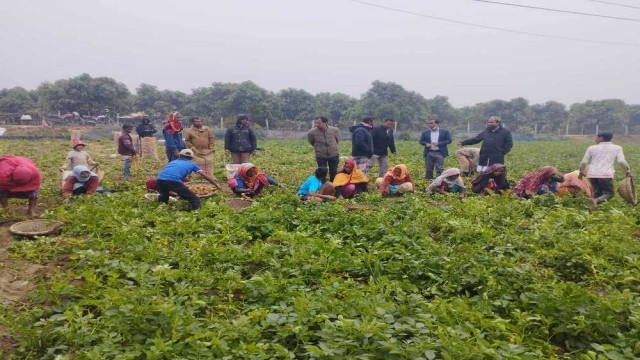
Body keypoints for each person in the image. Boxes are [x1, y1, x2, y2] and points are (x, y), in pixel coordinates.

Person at [579, 132, 632, 209]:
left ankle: (593, 209)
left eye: (596, 137)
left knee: (597, 192)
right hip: (606, 174)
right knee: (609, 193)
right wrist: (627, 172)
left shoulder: (591, 148)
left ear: (601, 138)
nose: (595, 139)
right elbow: (621, 161)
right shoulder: (617, 148)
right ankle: (596, 201)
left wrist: (581, 172)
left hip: (592, 174)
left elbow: (584, 162)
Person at [307, 116, 340, 181]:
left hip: (333, 154)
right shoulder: (312, 132)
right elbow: (311, 141)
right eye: (316, 123)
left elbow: (337, 140)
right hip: (321, 155)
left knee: (333, 170)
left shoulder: (334, 130)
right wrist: (319, 147)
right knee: (322, 171)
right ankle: (322, 186)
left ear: (325, 122)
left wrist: (333, 147)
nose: (317, 125)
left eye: (319, 123)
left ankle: (333, 185)